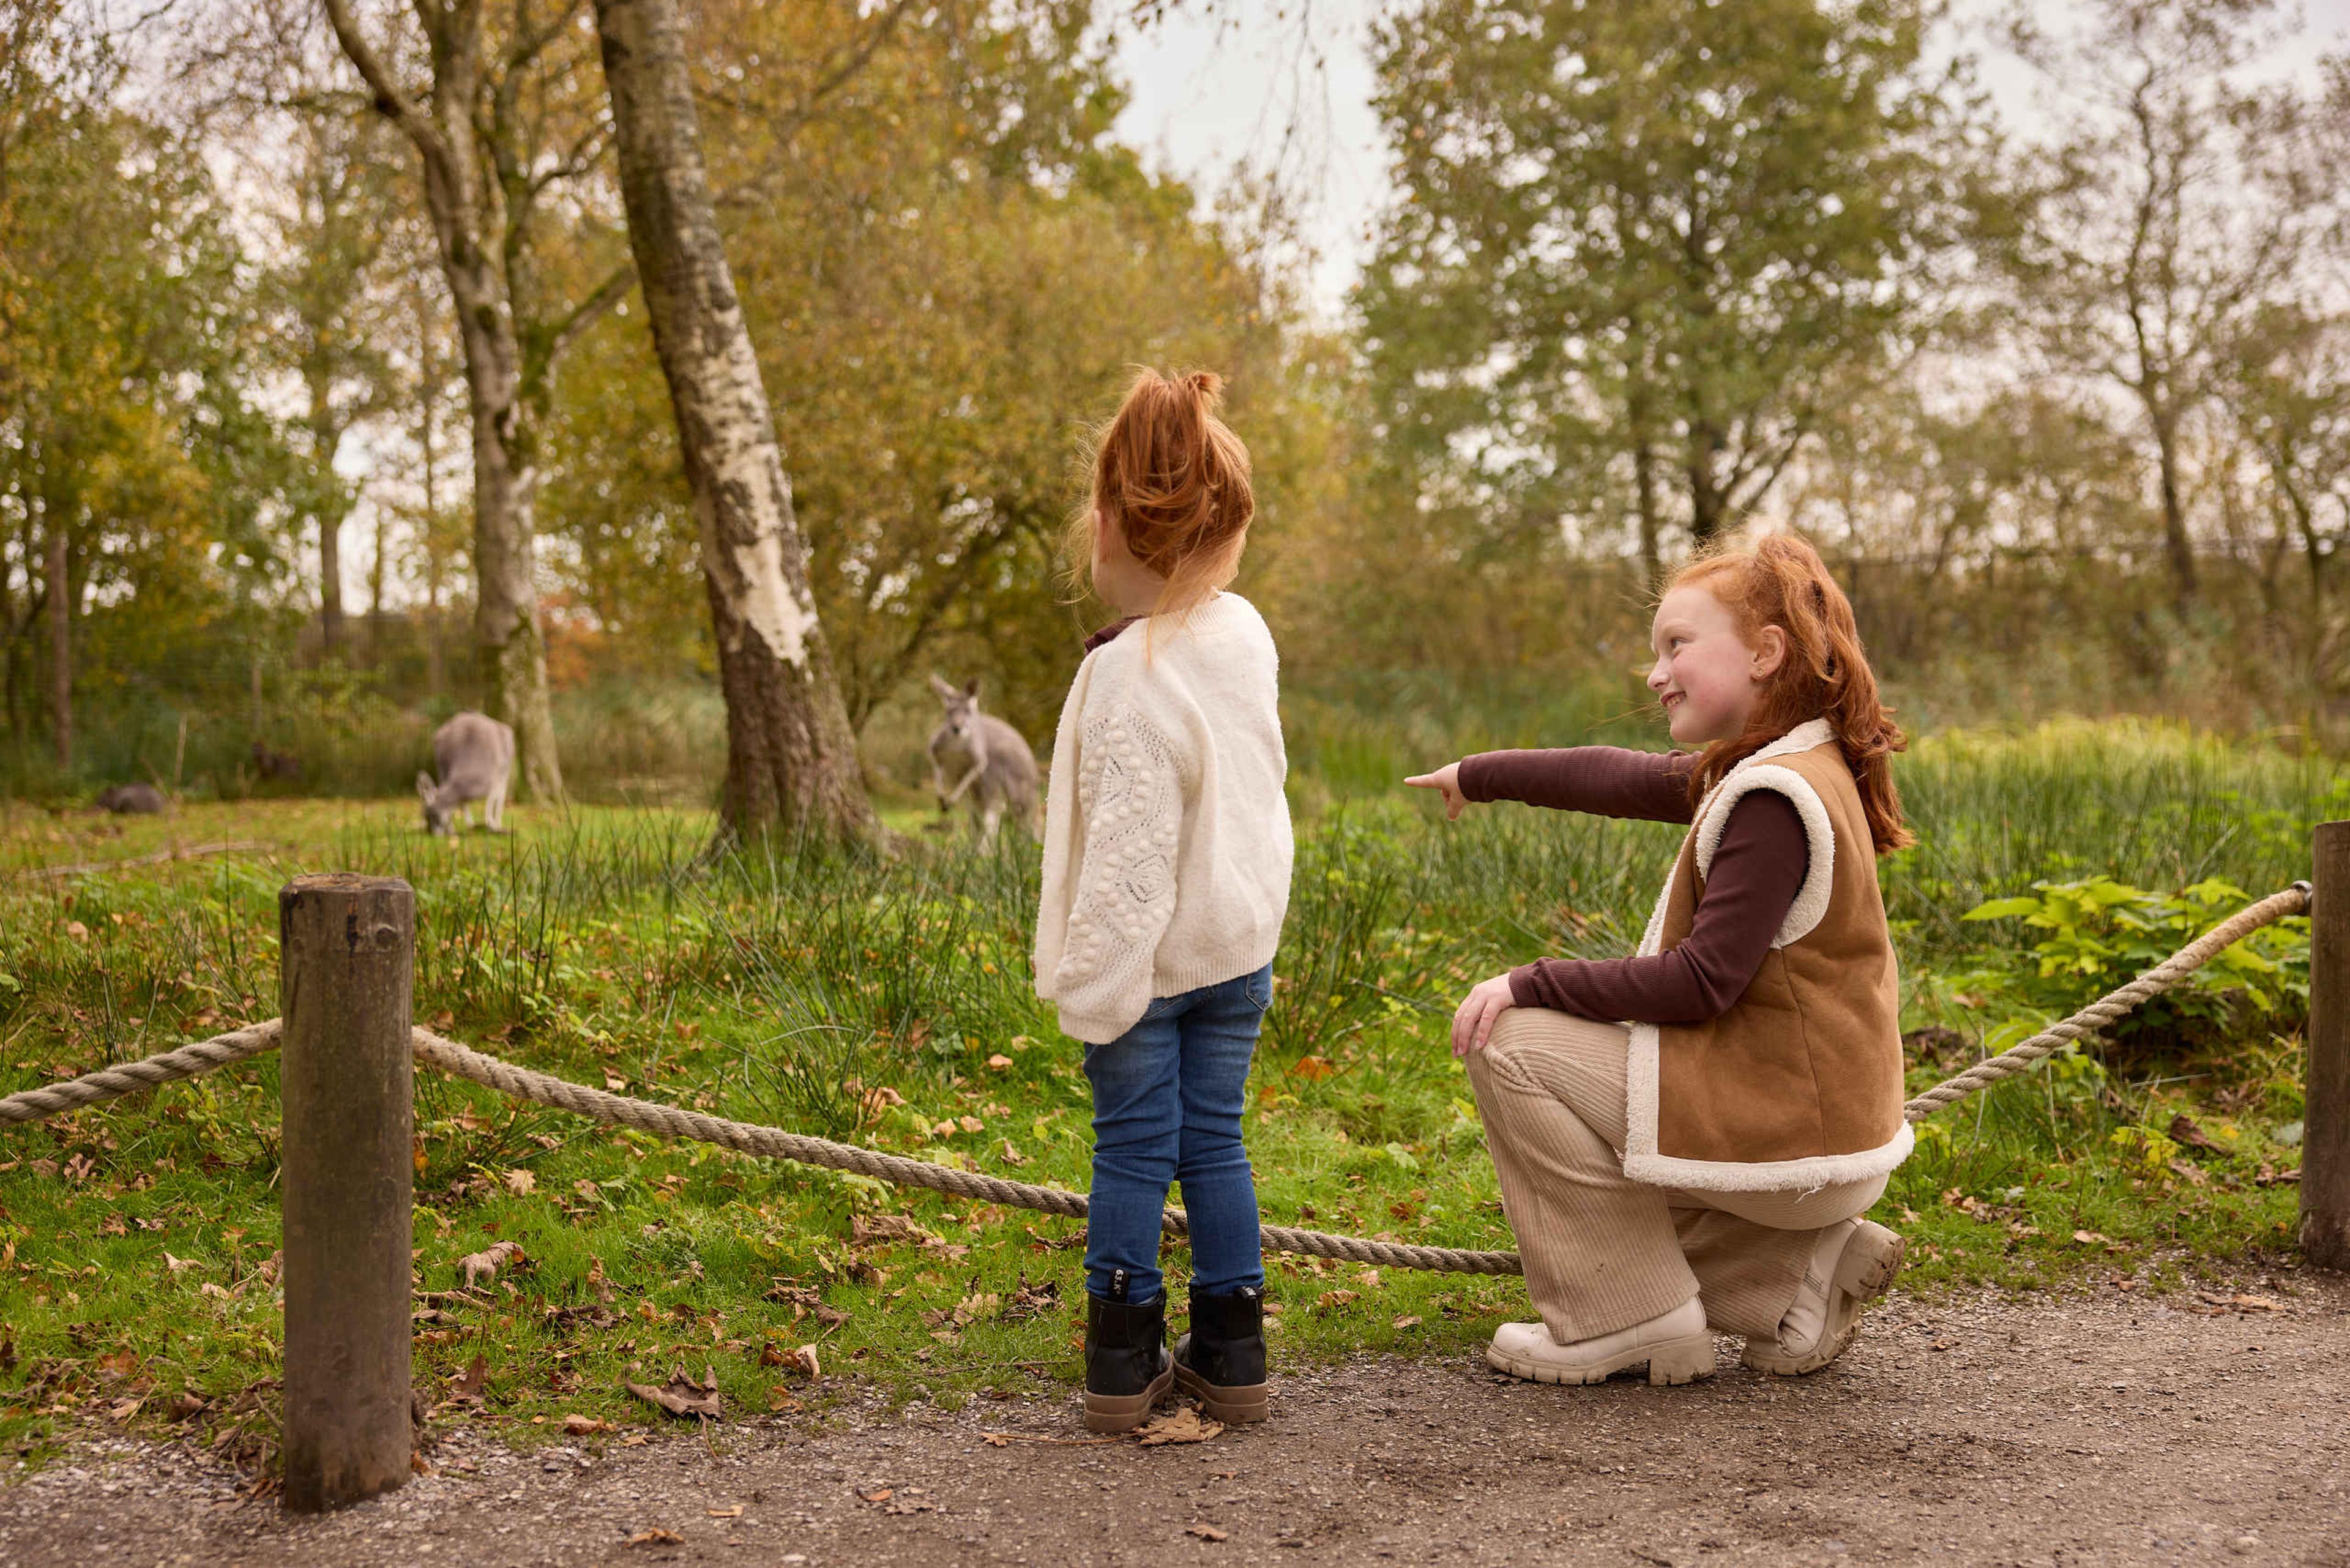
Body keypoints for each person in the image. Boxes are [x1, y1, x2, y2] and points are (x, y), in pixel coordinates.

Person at [1408, 532, 1914, 1386]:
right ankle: (1794, 1278)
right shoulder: (1791, 760)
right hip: (1818, 1127)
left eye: (1678, 644)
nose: (1655, 672)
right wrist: (1479, 774)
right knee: (1620, 1176)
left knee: (1510, 1040)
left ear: (1764, 652)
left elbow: (1698, 983)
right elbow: (1617, 777)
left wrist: (1528, 980)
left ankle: (1628, 1317)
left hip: (1790, 1133)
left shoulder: (1770, 799)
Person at [1035, 368, 1293, 1431]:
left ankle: (1121, 1353)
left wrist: (1096, 990)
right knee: (1217, 1141)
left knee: (1135, 1148)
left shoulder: (1127, 678)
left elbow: (1127, 868)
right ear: (1227, 535)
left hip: (1150, 967)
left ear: (1106, 523)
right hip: (1238, 949)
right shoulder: (1245, 635)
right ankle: (1234, 1348)